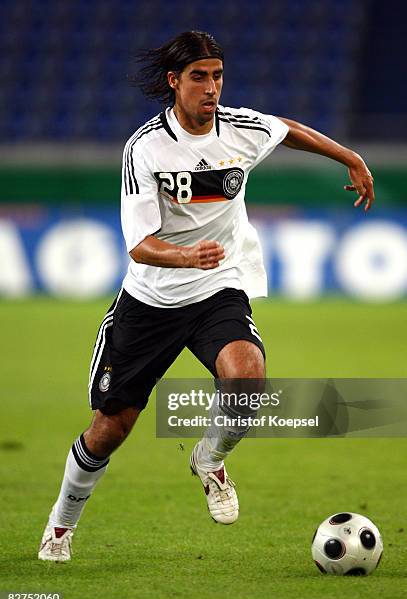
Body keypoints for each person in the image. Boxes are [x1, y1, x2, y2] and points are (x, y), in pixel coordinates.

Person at [38, 31, 374, 562]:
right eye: (199, 76)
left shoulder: (239, 128)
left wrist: (349, 157)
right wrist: (186, 256)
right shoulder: (145, 148)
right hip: (150, 300)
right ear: (175, 81)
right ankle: (61, 525)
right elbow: (139, 246)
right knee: (110, 429)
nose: (211, 87)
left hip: (218, 287)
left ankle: (210, 458)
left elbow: (287, 131)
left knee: (247, 378)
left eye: (217, 75)